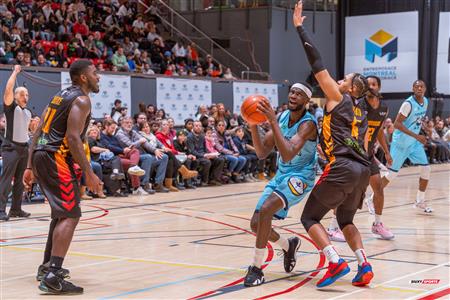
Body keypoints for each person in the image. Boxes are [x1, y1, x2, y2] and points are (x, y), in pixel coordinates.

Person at [294, 1, 373, 288]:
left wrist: (300, 28)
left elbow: (317, 64)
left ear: (351, 89)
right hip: (362, 170)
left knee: (309, 216)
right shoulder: (362, 111)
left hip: (343, 166)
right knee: (346, 220)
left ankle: (334, 260)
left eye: (344, 79)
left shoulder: (339, 97)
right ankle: (363, 263)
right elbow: (363, 144)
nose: (338, 80)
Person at [23, 60, 103, 294]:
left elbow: (38, 131)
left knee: (61, 214)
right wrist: (89, 173)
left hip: (41, 153)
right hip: (54, 156)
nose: (99, 77)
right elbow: (73, 138)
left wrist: (30, 165)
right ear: (83, 77)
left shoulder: (60, 95)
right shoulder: (81, 99)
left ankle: (48, 267)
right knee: (70, 214)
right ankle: (53, 276)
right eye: (95, 73)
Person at [243, 83, 318, 286]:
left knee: (266, 210)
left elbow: (287, 153)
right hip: (283, 174)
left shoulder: (308, 124)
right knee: (256, 224)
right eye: (292, 92)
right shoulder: (284, 117)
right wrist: (252, 124)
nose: (293, 96)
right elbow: (261, 153)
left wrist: (273, 121)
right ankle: (288, 245)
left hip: (300, 177)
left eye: (299, 94)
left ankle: (256, 269)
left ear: (306, 101)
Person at [381, 80, 432, 212]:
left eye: (422, 86)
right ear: (413, 89)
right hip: (401, 143)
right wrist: (417, 136)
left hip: (413, 143)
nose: (419, 88)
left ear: (425, 89)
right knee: (391, 175)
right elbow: (397, 124)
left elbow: (418, 120)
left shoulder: (425, 101)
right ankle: (373, 197)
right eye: (417, 87)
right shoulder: (408, 104)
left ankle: (420, 201)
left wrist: (425, 129)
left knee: (426, 169)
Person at [362, 75, 395, 240]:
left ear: (379, 87)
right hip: (354, 154)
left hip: (368, 155)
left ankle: (377, 224)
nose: (370, 87)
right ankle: (333, 226)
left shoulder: (384, 107)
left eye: (374, 84)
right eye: (367, 85)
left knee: (378, 189)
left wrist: (387, 152)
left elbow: (380, 131)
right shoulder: (358, 105)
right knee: (350, 192)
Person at [0, 65, 32, 221]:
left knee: (19, 180)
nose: (25, 96)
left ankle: (16, 209)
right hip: (11, 148)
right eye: (22, 94)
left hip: (24, 148)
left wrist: (34, 125)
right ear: (15, 96)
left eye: (27, 94)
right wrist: (15, 72)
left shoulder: (28, 112)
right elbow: (8, 89)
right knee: (6, 179)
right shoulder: (11, 107)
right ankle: (0, 210)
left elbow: (26, 130)